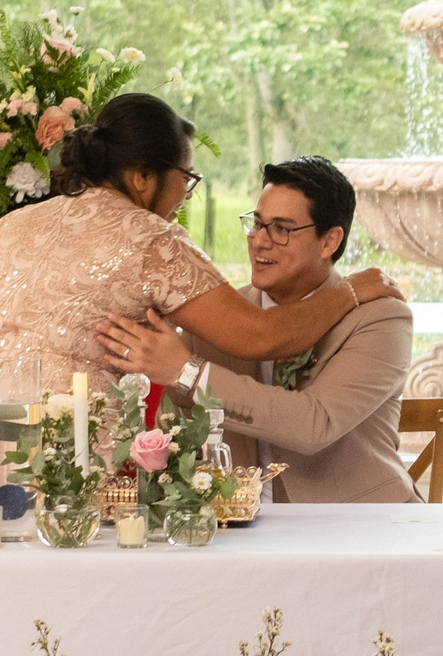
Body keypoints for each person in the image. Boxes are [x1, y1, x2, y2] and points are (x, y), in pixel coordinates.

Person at [0, 95, 402, 389]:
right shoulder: (153, 240)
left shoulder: (13, 224)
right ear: (144, 177)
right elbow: (260, 336)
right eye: (186, 179)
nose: (185, 197)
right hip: (74, 446)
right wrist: (351, 291)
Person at [103, 157, 420, 503]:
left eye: (281, 229)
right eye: (257, 223)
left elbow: (314, 425)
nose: (259, 241)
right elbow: (172, 416)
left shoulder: (381, 318)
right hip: (233, 525)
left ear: (329, 241)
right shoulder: (222, 316)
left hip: (357, 527)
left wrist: (189, 373)